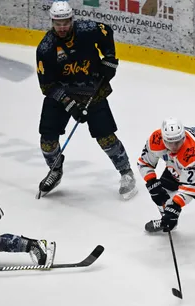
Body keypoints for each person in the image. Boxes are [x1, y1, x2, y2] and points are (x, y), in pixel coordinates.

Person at [35, 0, 137, 200]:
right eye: (58, 23)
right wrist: (70, 105)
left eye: (65, 22)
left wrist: (109, 59)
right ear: (52, 22)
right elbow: (47, 86)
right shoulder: (46, 48)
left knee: (106, 136)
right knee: (47, 140)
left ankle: (126, 172)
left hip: (93, 89)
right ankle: (55, 171)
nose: (62, 27)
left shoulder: (87, 29)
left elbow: (106, 31)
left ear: (72, 19)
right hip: (62, 94)